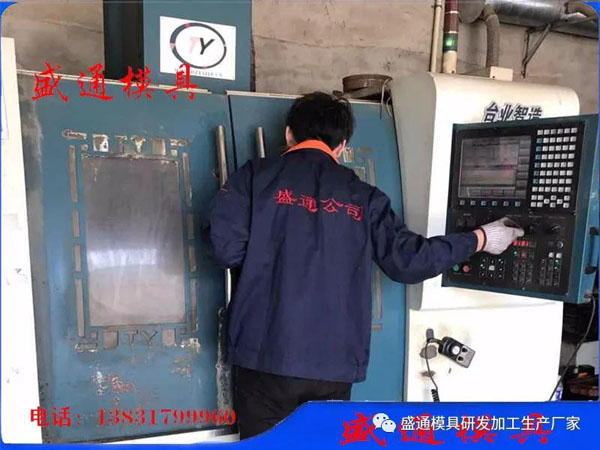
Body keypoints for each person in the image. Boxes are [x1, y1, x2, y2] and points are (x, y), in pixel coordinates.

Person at [208, 92, 523, 439]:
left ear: (288, 134)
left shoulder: (254, 178)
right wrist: (480, 238)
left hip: (263, 358)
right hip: (334, 366)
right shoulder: (365, 197)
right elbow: (409, 261)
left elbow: (225, 251)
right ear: (342, 146)